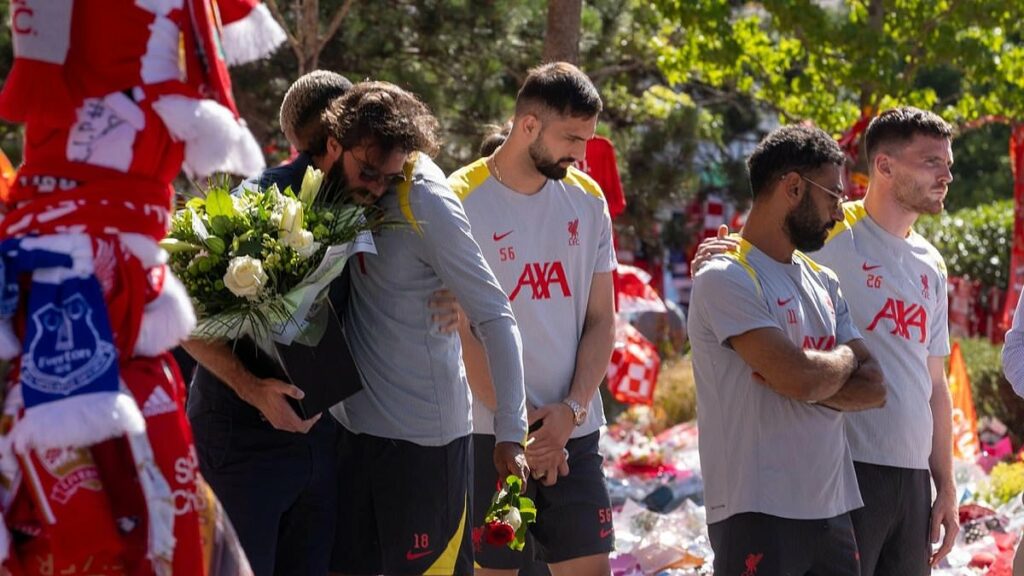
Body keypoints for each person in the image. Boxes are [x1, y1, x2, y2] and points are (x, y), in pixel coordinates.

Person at [693, 107, 959, 573]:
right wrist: (729, 250)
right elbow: (766, 237)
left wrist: (947, 486)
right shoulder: (831, 235)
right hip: (845, 471)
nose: (947, 175)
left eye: (948, 163)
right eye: (932, 161)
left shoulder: (929, 262)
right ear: (885, 166)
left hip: (906, 479)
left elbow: (928, 384)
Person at [324, 81, 529, 576]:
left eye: (385, 176)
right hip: (352, 438)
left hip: (424, 451)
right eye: (366, 170)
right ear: (336, 146)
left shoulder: (426, 199)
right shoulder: (329, 185)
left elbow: (497, 314)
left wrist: (510, 434)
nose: (374, 186)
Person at [688, 124, 886, 575]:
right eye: (834, 197)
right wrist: (842, 362)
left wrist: (807, 379)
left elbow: (875, 387)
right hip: (757, 510)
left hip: (832, 508)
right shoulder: (725, 277)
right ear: (793, 187)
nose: (839, 213)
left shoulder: (824, 280)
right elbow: (799, 377)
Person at [183, 70, 357, 576]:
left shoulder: (362, 199)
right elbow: (185, 319)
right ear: (330, 139)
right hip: (241, 440)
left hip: (319, 444)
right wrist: (254, 389)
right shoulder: (252, 205)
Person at [448, 62, 616, 576]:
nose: (582, 154)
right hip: (491, 440)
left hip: (573, 432)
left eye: (587, 139)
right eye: (571, 137)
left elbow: (601, 322)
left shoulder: (588, 199)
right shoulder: (458, 199)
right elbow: (461, 332)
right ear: (528, 126)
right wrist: (518, 430)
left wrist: (570, 411)